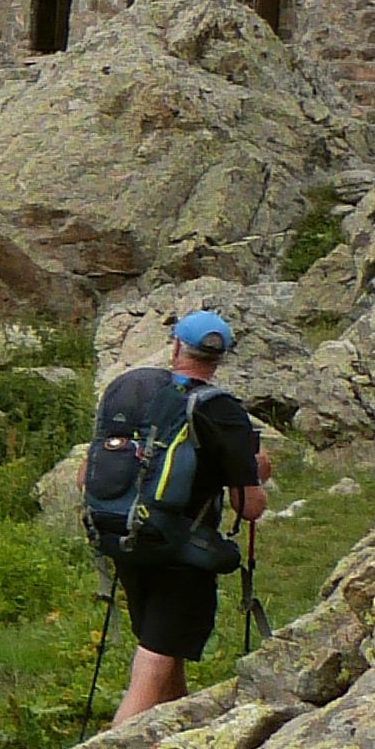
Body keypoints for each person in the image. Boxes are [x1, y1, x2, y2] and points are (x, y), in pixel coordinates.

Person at [99, 310, 271, 723]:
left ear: (175, 346)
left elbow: (91, 472)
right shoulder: (221, 410)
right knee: (151, 671)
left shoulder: (136, 392)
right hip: (181, 556)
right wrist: (258, 469)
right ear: (220, 357)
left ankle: (174, 743)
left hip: (125, 539)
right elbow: (249, 507)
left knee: (166, 654)